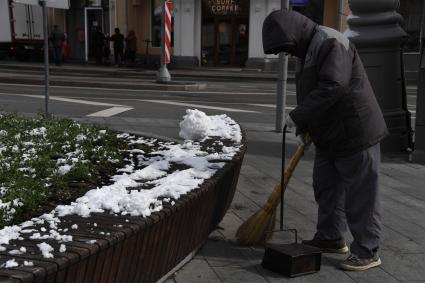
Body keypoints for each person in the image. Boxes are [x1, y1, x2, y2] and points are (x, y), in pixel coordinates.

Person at [262, 10, 388, 271]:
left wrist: (298, 116)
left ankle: (367, 250)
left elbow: (334, 86)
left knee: (361, 195)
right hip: (330, 135)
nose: (286, 54)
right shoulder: (306, 49)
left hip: (355, 131)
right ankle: (330, 238)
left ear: (293, 35)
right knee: (326, 188)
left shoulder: (330, 42)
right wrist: (306, 127)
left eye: (285, 48)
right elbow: (311, 93)